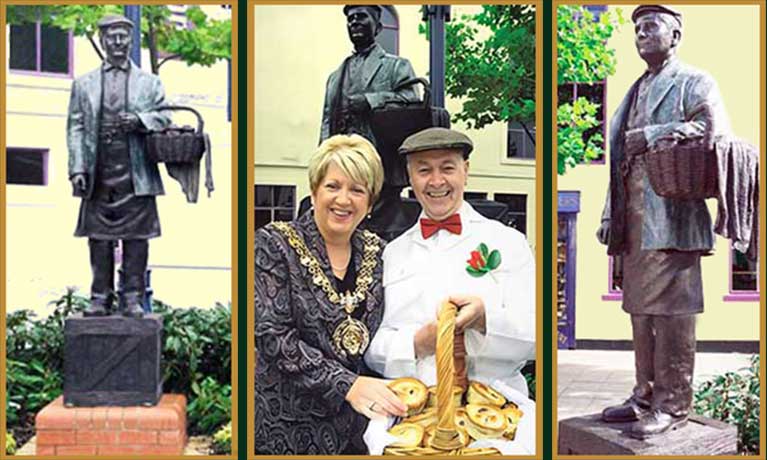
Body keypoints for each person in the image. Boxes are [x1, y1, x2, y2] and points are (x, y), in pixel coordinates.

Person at [596, 5, 730, 439]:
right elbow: (618, 161)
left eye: (650, 26)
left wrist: (654, 134)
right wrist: (607, 213)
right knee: (639, 312)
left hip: (673, 217)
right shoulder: (634, 90)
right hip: (634, 222)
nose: (641, 33)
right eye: (636, 27)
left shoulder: (694, 81)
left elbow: (715, 132)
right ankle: (645, 394)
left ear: (675, 34)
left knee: (673, 314)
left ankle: (673, 405)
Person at [255, 135, 408, 454]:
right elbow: (272, 336)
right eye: (333, 186)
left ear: (370, 201)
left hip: (362, 431)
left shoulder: (380, 253)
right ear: (314, 191)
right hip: (289, 429)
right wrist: (347, 384)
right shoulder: (274, 245)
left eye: (357, 189)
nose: (344, 199)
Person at [364, 127, 536, 395]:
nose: (436, 181)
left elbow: (536, 338)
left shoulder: (509, 243)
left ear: (465, 171)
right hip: (414, 406)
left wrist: (484, 320)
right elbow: (372, 347)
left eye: (447, 168)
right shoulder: (392, 253)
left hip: (498, 406)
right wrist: (417, 343)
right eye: (423, 170)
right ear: (410, 177)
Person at [67, 14, 170, 318]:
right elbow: (75, 127)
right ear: (102, 40)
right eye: (112, 36)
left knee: (137, 240)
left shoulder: (149, 83)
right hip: (99, 170)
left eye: (123, 36)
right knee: (98, 239)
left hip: (135, 171)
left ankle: (132, 298)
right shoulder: (84, 85)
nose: (118, 42)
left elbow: (165, 117)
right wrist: (77, 168)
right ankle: (100, 297)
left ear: (131, 40)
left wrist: (141, 120)